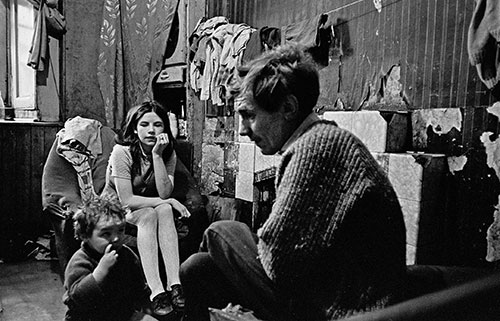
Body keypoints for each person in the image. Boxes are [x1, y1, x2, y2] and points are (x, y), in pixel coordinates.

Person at [180, 44, 407, 321]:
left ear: (288, 107)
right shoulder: (320, 140)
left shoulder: (316, 148)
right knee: (196, 267)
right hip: (329, 290)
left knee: (218, 231)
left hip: (341, 309)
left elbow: (279, 263)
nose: (242, 130)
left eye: (249, 115)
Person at [101, 100, 191, 316]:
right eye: (144, 124)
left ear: (165, 129)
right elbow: (126, 199)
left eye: (158, 125)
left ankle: (174, 284)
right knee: (151, 215)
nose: (151, 130)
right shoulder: (121, 152)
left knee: (164, 210)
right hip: (115, 208)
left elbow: (164, 193)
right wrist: (167, 201)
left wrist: (157, 155)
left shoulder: (167, 152)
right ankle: (156, 291)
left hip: (144, 205)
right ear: (134, 128)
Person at [63, 196, 156, 321]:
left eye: (120, 230)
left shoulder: (127, 255)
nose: (116, 238)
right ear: (85, 235)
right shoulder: (80, 261)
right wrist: (100, 271)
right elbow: (78, 299)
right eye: (106, 233)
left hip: (120, 314)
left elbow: (139, 287)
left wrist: (145, 306)